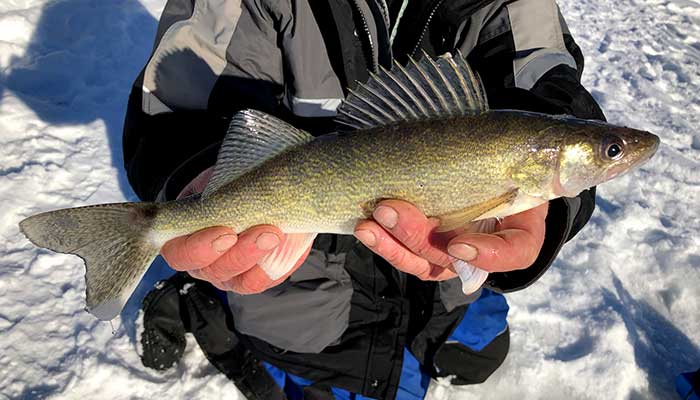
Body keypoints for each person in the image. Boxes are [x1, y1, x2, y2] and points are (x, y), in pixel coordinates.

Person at [123, 0, 605, 398]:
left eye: (610, 150)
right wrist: (193, 172)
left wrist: (551, 215)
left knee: (478, 355)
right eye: (611, 152)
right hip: (303, 299)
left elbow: (552, 87)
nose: (615, 157)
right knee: (304, 373)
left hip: (443, 293)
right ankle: (196, 297)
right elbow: (173, 108)